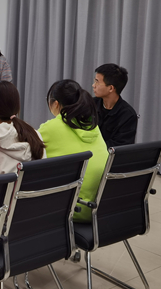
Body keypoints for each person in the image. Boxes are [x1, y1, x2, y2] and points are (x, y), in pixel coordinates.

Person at [38, 80, 108, 222]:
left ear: (56, 104)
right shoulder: (92, 125)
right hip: (102, 208)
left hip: (72, 210)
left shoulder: (50, 128)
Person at [92, 63, 138, 147]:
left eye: (97, 82)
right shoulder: (90, 104)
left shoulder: (128, 115)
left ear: (111, 88)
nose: (93, 85)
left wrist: (93, 147)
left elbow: (120, 145)